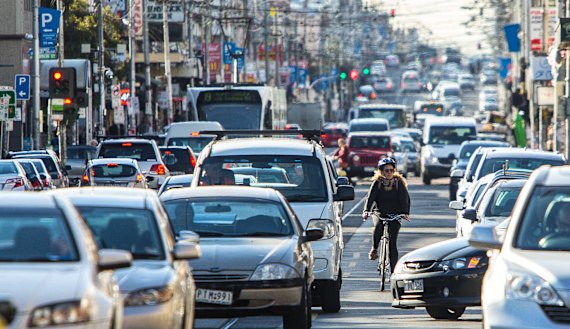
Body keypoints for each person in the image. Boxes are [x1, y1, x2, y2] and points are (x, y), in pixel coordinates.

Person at [362, 157, 410, 273]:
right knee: (378, 226)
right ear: (381, 171)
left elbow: (405, 199)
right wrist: (366, 210)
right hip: (380, 212)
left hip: (396, 214)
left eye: (391, 170)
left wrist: (405, 213)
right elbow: (370, 198)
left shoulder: (399, 182)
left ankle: (393, 273)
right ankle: (374, 248)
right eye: (386, 170)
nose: (389, 173)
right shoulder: (377, 183)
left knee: (392, 243)